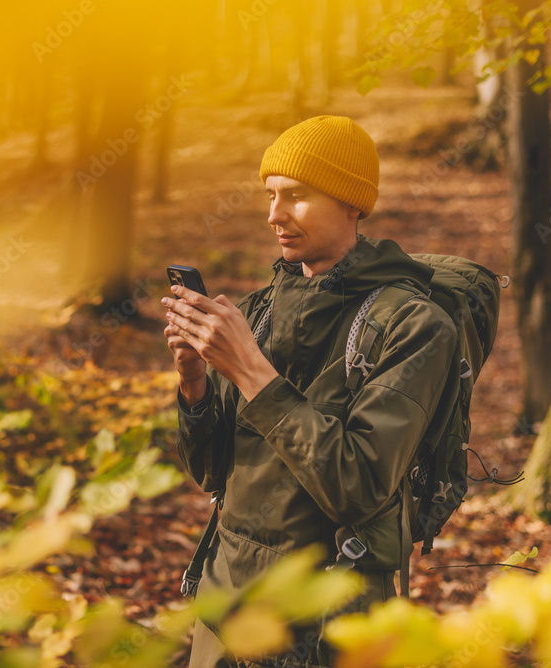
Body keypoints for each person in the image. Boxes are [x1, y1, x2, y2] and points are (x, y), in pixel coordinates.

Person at [162, 115, 457, 667]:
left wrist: (252, 372)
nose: (274, 215)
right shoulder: (257, 311)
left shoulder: (413, 326)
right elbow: (210, 472)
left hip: (326, 625)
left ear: (352, 203)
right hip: (223, 607)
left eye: (296, 195)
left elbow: (359, 487)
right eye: (271, 195)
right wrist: (194, 380)